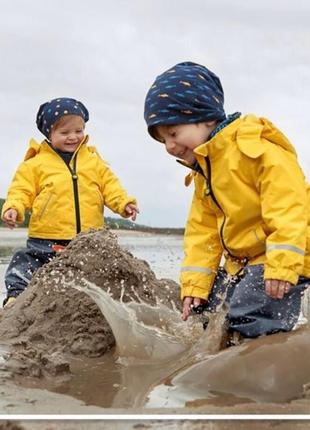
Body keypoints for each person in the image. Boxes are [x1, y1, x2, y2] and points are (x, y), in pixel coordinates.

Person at [144, 61, 310, 339]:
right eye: (163, 141)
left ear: (206, 117)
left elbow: (290, 208)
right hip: (244, 261)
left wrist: (282, 265)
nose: (170, 147)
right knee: (209, 309)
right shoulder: (204, 173)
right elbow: (202, 233)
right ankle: (220, 357)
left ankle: (260, 366)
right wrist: (196, 286)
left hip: (286, 251)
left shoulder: (255, 149)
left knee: (250, 312)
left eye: (173, 134)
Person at [2, 97, 139, 308]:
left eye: (78, 131)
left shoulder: (93, 162)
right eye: (64, 133)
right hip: (46, 238)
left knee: (104, 267)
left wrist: (124, 204)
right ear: (49, 134)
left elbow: (111, 187)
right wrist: (13, 207)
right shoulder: (35, 164)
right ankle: (16, 297)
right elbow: (21, 190)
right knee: (24, 260)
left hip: (88, 239)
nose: (73, 137)